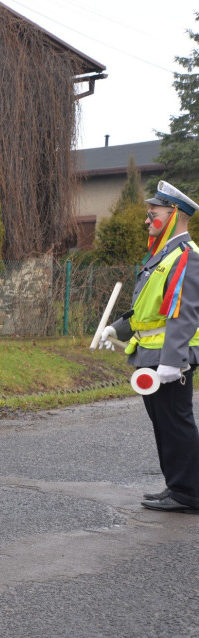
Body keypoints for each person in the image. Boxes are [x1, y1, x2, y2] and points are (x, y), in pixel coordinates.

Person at [102, 180, 199, 514]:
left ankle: (189, 493)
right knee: (164, 423)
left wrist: (174, 361)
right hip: (151, 354)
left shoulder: (186, 256)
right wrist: (118, 327)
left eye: (152, 212)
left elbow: (183, 314)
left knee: (175, 421)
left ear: (173, 214)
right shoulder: (164, 256)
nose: (147, 219)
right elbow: (149, 308)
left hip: (171, 358)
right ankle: (178, 486)